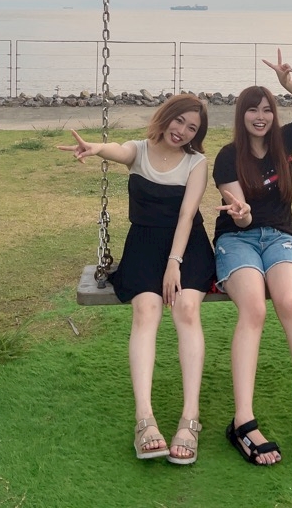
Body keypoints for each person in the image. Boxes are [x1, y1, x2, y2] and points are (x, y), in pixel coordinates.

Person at [59, 94, 214, 465]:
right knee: (146, 310)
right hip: (144, 243)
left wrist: (174, 263)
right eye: (179, 121)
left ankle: (190, 418)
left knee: (186, 309)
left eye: (192, 127)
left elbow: (187, 216)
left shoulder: (196, 163)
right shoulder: (139, 151)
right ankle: (144, 419)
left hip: (187, 246)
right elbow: (118, 149)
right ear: (167, 117)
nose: (182, 131)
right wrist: (96, 148)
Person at [213, 50, 292, 465]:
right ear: (242, 115)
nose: (261, 116)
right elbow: (242, 215)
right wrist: (242, 213)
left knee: (289, 303)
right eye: (253, 110)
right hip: (238, 240)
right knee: (254, 310)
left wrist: (287, 84)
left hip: (280, 238)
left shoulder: (285, 140)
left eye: (267, 109)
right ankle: (243, 421)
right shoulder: (227, 157)